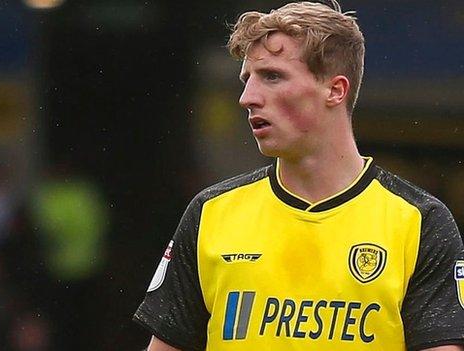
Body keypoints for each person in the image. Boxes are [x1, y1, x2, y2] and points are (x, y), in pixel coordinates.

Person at [133, 1, 464, 350]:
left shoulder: (419, 222)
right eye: (247, 80)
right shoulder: (210, 213)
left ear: (335, 90)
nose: (247, 98)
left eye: (272, 76)